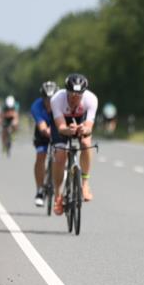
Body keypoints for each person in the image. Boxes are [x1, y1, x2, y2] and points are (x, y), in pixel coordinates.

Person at [51, 73, 98, 214]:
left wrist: (84, 129)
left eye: (78, 95)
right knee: (60, 155)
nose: (74, 98)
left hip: (81, 118)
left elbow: (89, 127)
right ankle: (58, 195)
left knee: (85, 143)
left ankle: (85, 183)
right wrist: (68, 130)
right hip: (63, 123)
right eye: (71, 94)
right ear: (66, 91)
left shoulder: (91, 99)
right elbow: (60, 128)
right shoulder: (56, 100)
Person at [31, 82, 57, 207]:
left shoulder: (61, 104)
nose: (49, 101)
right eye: (46, 99)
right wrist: (47, 130)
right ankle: (40, 190)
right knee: (41, 155)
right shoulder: (36, 106)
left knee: (62, 153)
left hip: (58, 131)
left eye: (52, 99)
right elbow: (42, 128)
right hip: (43, 133)